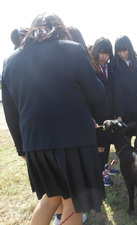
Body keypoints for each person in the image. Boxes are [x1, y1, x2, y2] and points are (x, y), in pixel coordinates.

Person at [2, 13, 106, 225]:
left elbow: (10, 112)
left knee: (51, 198)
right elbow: (97, 94)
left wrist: (22, 149)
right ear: (61, 29)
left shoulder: (10, 61)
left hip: (35, 145)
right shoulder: (74, 49)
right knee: (74, 201)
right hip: (74, 141)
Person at [113, 35, 137, 149]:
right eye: (119, 51)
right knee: (127, 135)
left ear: (129, 48)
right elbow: (117, 92)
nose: (122, 54)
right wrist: (119, 114)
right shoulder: (116, 67)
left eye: (124, 50)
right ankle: (130, 157)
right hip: (126, 108)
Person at [90, 37, 119, 187]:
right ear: (96, 52)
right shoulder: (90, 68)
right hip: (97, 113)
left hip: (110, 112)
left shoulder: (111, 68)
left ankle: (105, 167)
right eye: (101, 53)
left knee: (107, 143)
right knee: (99, 145)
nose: (104, 56)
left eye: (107, 53)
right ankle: (101, 172)